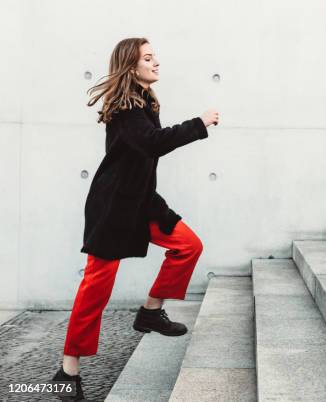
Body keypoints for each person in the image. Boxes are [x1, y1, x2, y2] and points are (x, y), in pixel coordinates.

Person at [50, 37, 219, 401]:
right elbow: (152, 142)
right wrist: (199, 124)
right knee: (96, 289)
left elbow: (149, 146)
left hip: (142, 201)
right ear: (131, 67)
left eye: (154, 55)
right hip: (113, 207)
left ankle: (150, 312)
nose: (156, 61)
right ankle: (68, 369)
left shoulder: (144, 101)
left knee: (188, 246)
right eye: (148, 57)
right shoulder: (125, 107)